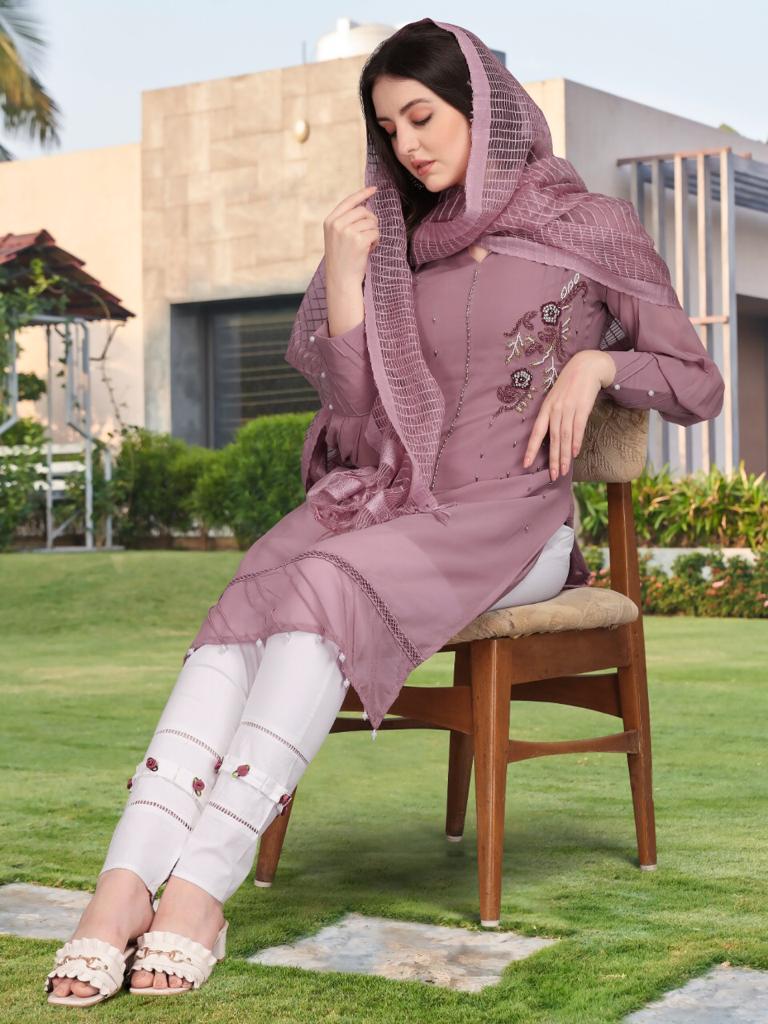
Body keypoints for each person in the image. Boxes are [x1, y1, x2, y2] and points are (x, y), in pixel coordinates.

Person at [44, 17, 725, 1006]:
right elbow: (359, 423)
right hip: (391, 505)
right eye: (389, 128)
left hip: (515, 522)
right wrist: (346, 282)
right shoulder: (392, 242)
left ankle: (195, 892)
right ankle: (120, 888)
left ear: (483, 108)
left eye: (422, 116)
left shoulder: (591, 228)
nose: (407, 144)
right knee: (257, 591)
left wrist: (598, 363)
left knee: (323, 583)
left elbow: (697, 381)